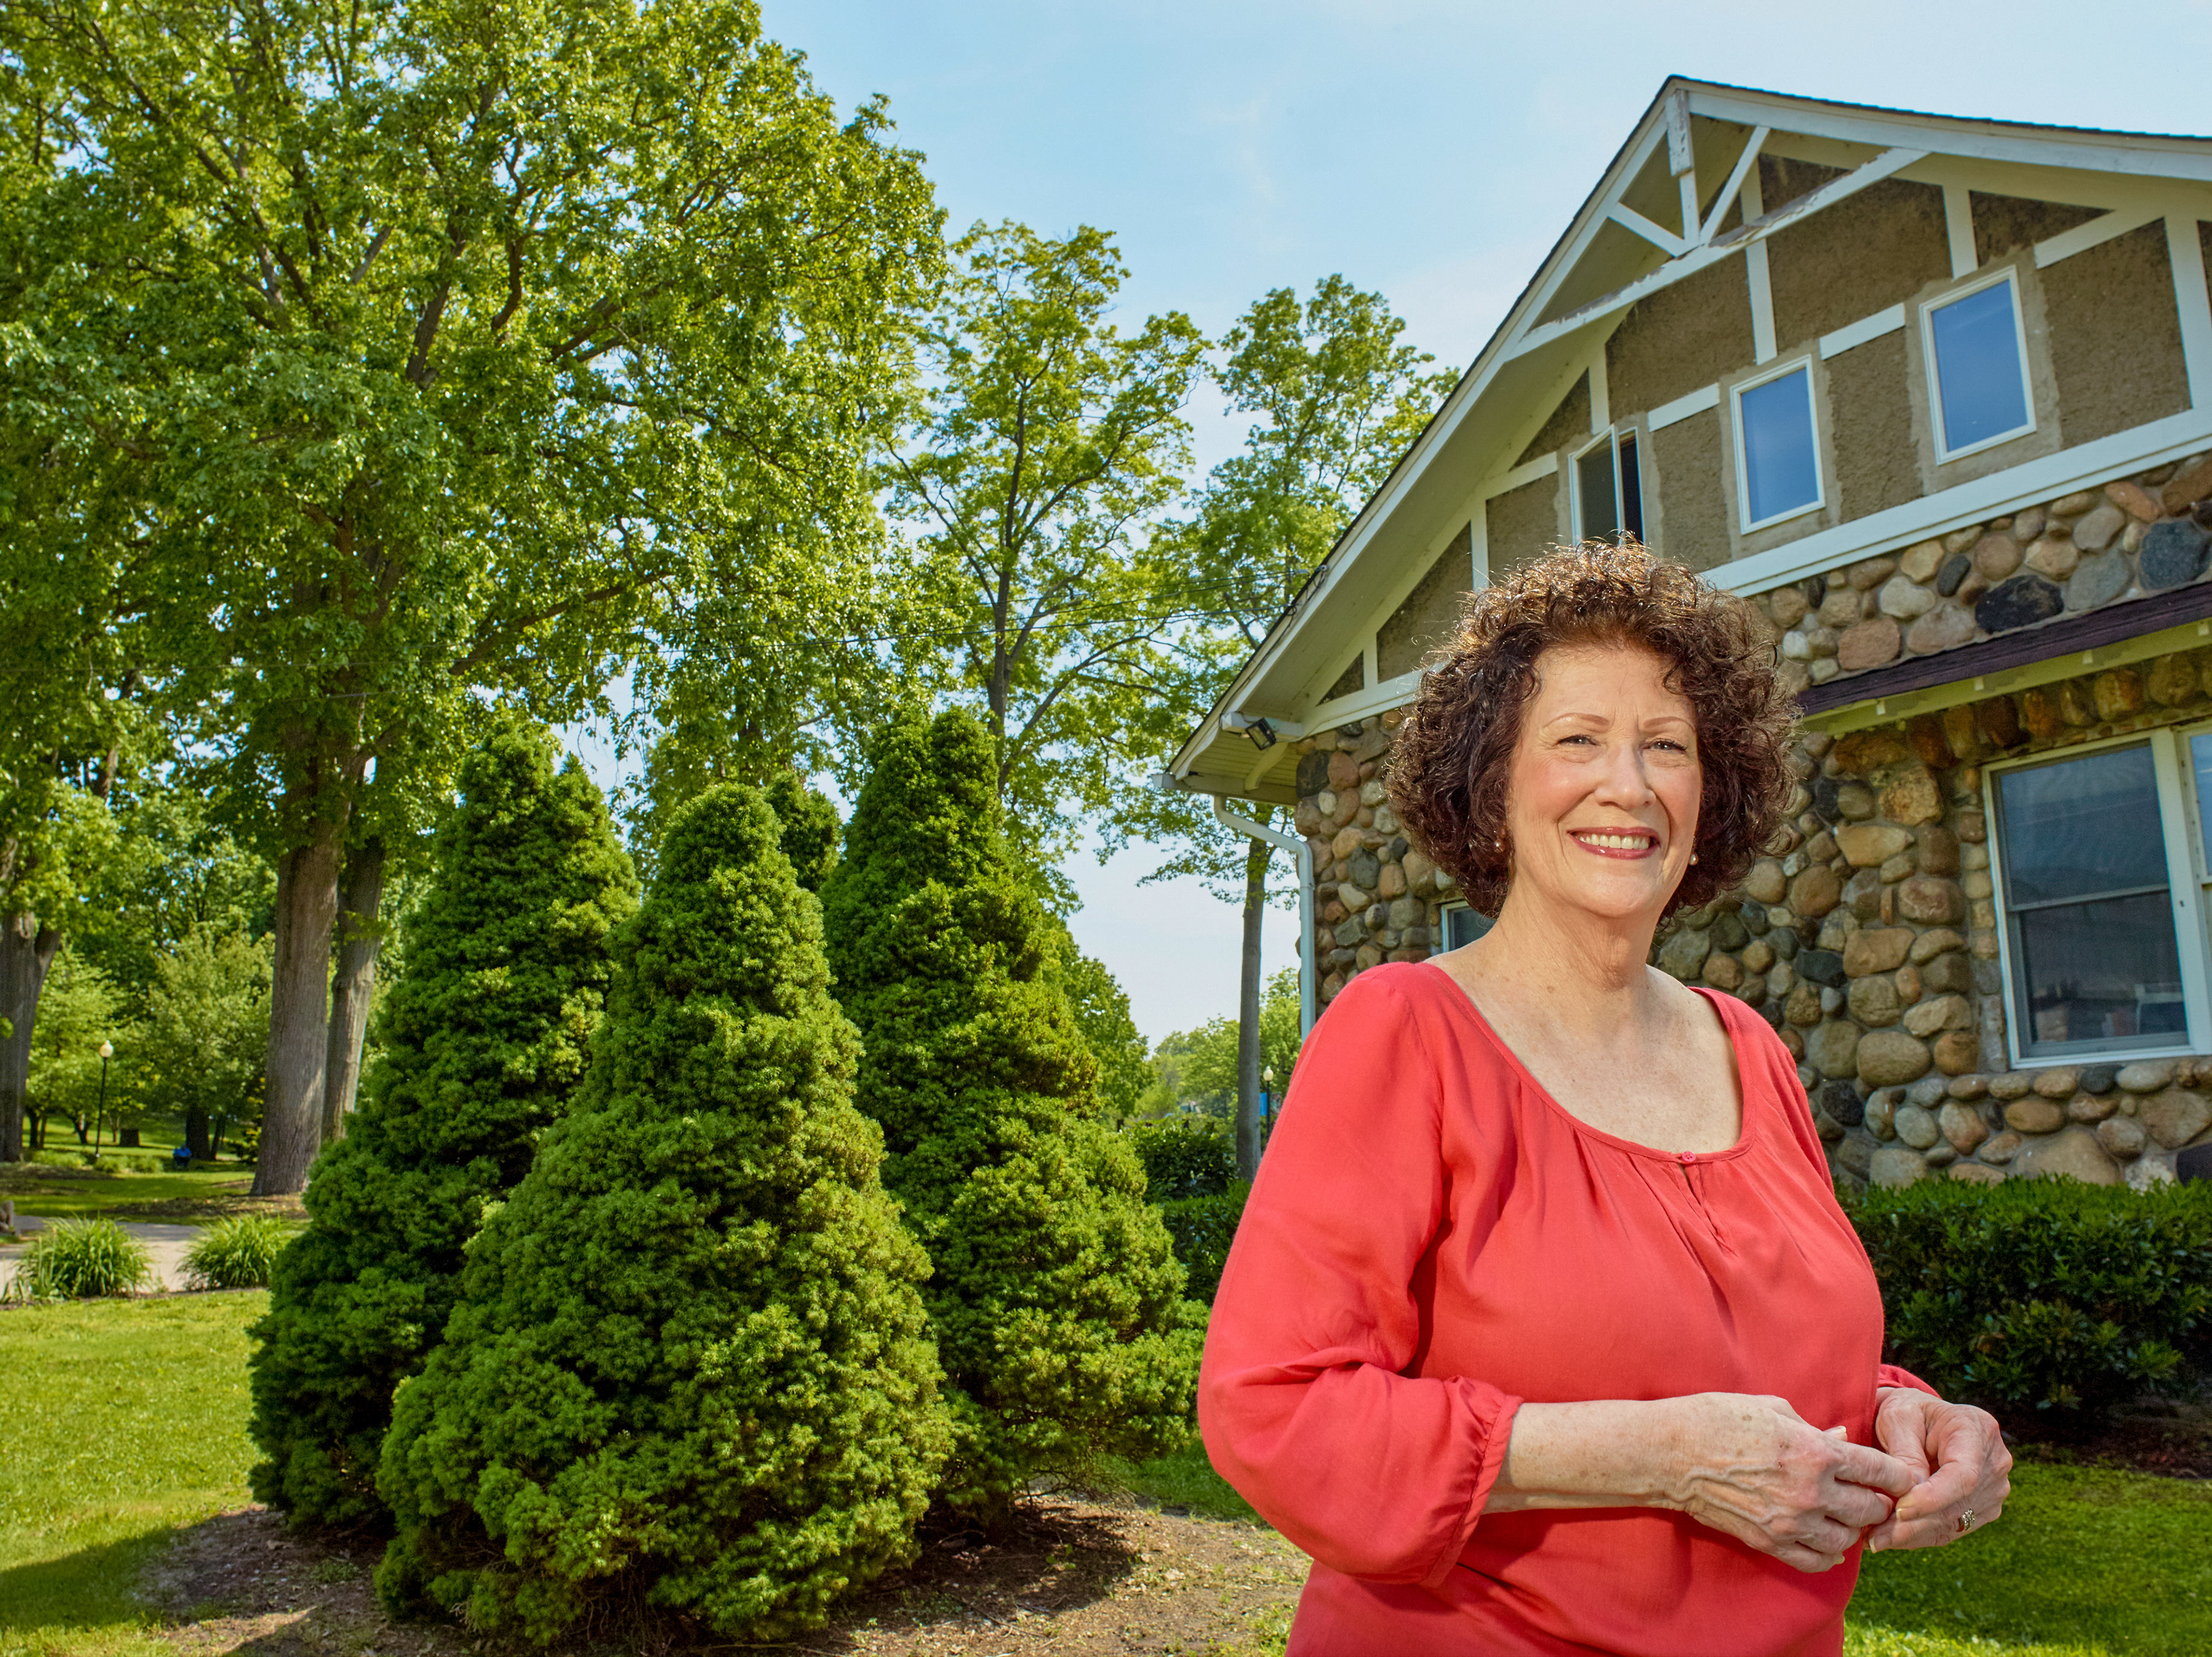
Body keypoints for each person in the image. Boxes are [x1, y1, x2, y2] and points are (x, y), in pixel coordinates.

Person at [1198, 544, 2011, 1656]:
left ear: (1707, 795)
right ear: (1493, 787)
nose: (1627, 784)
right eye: (1577, 740)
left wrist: (1900, 1414)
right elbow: (1276, 1408)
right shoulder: (1405, 1032)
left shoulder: (1752, 1049)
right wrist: (1664, 1458)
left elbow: (1725, 1348)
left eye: (1666, 747)